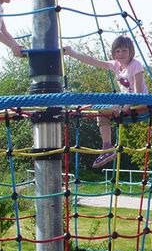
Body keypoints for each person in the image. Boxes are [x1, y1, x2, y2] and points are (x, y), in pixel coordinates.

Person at [63, 35, 147, 168]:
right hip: (125, 102)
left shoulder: (136, 65)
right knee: (101, 111)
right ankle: (107, 148)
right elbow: (93, 61)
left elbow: (139, 92)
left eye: (124, 50)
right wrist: (72, 53)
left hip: (139, 103)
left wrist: (127, 106)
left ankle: (107, 148)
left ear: (131, 51)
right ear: (113, 53)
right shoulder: (115, 65)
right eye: (117, 51)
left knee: (104, 110)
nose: (120, 54)